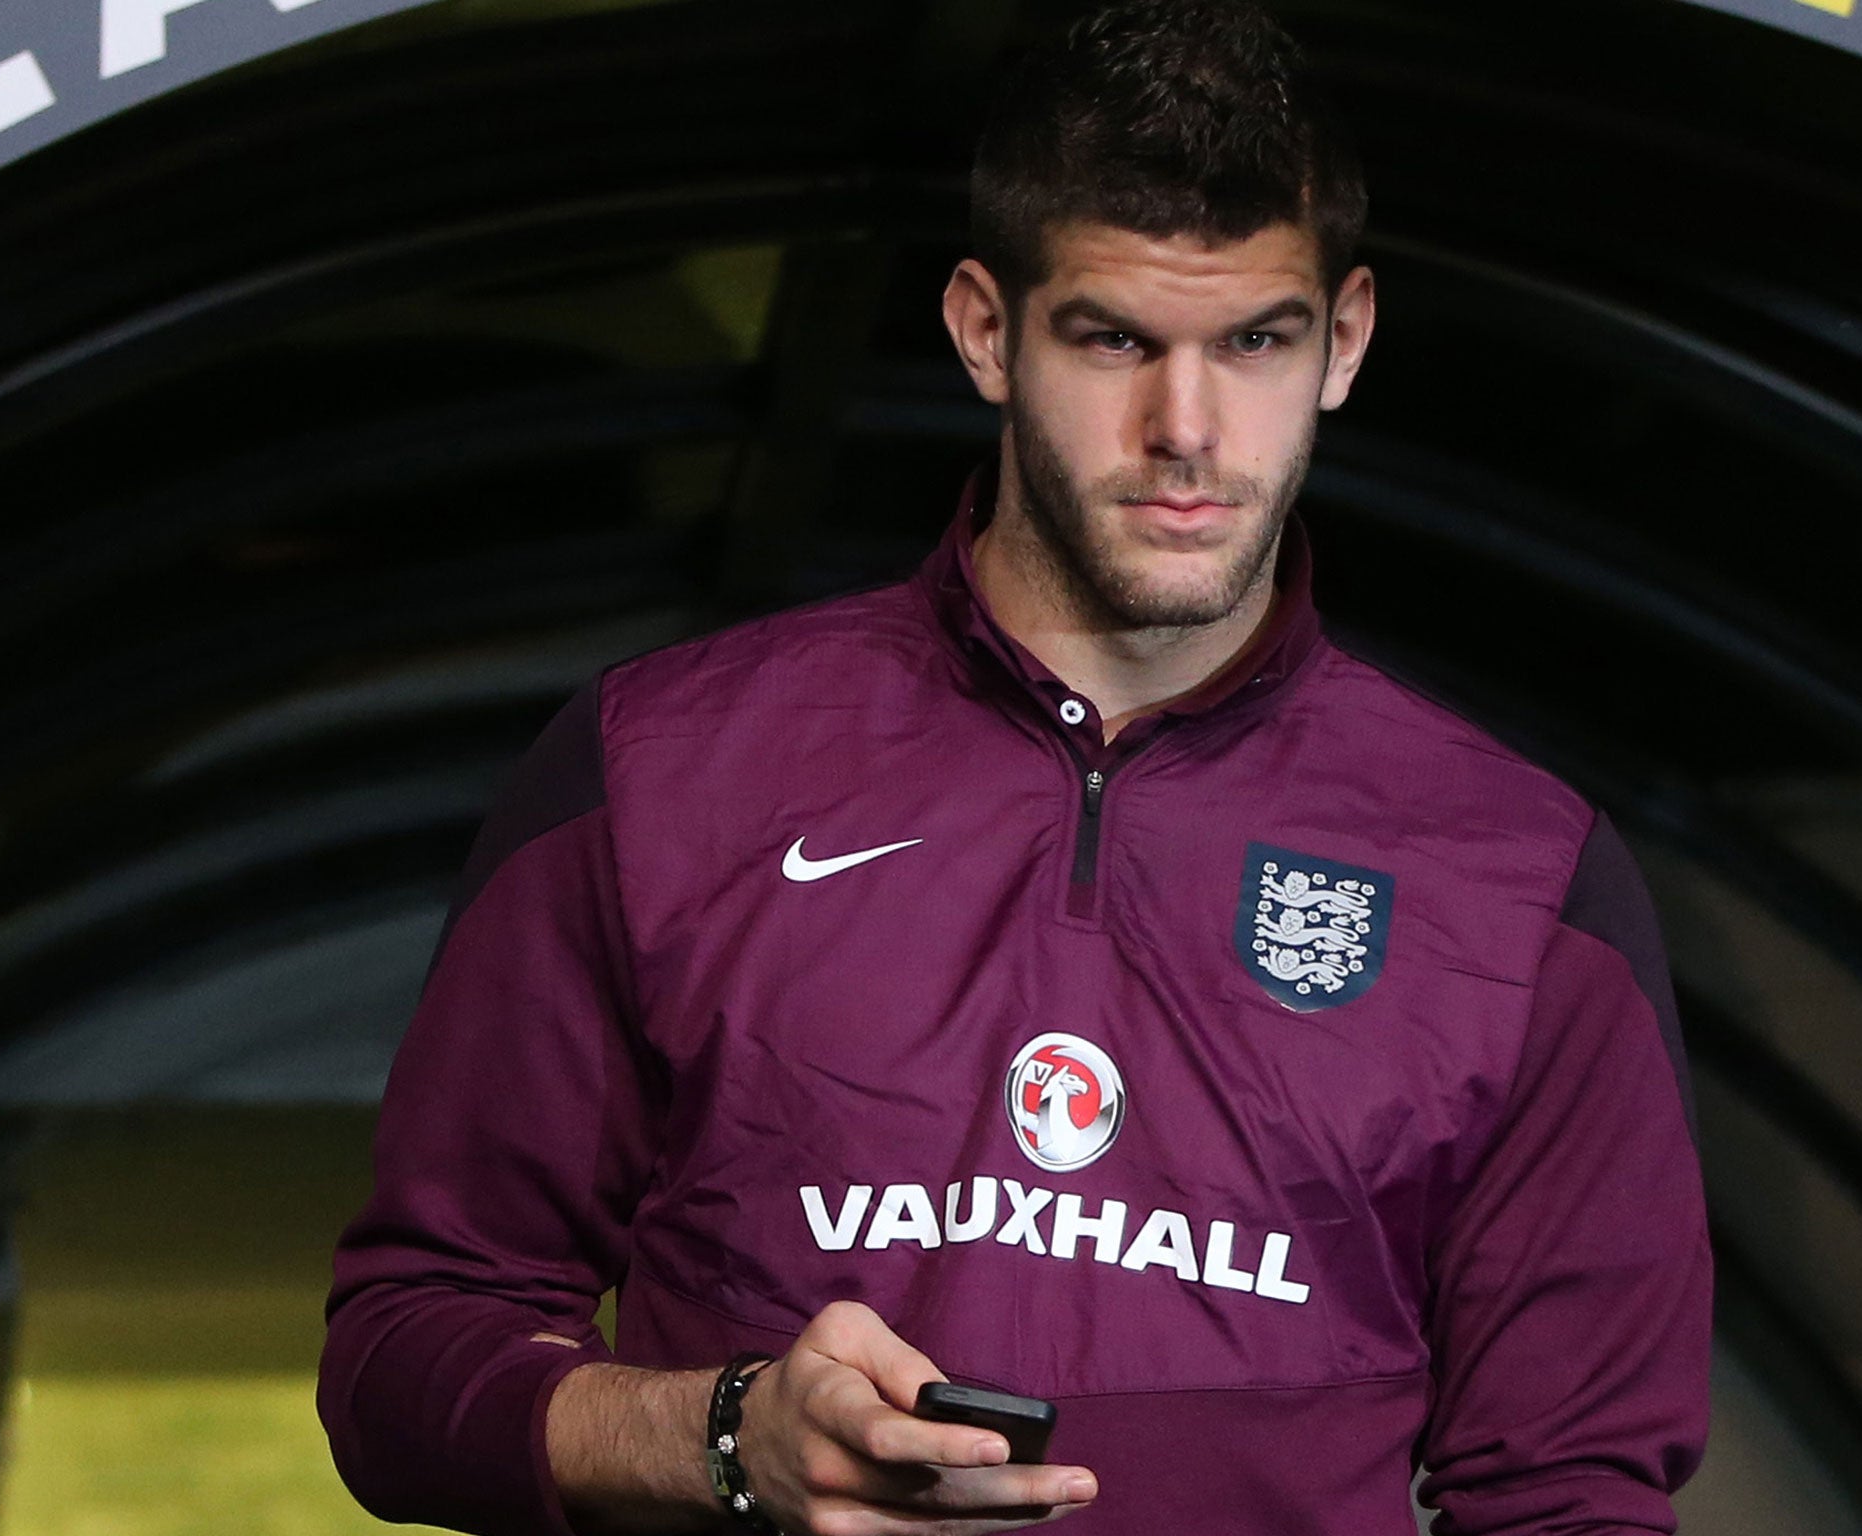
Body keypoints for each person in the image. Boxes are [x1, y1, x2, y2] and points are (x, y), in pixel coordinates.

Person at [318, 3, 1712, 1533]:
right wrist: (727, 1437)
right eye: (1112, 338)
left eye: (1255, 341)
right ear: (986, 329)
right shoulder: (663, 770)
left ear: (1348, 339)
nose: (1186, 430)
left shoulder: (1521, 880)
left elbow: (1573, 1492)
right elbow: (404, 1361)